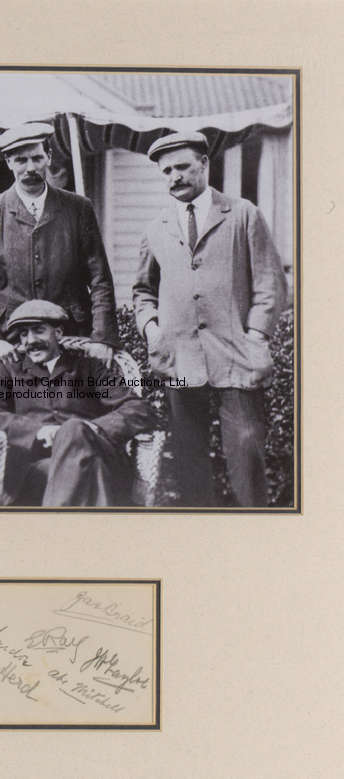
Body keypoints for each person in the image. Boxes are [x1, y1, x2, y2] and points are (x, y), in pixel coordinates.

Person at [132, 131, 287, 507]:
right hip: (180, 361)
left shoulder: (243, 214)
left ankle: (255, 535)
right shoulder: (157, 228)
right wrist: (153, 330)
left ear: (204, 164)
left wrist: (256, 334)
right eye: (166, 171)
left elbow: (271, 282)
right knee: (188, 458)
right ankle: (202, 542)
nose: (175, 177)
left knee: (247, 450)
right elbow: (142, 291)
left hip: (236, 356)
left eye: (183, 167)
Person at [0, 300, 152, 507]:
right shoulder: (9, 370)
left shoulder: (89, 368)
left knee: (73, 429)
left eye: (38, 331)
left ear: (59, 333)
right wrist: (37, 431)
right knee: (89, 465)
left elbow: (139, 409)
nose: (30, 340)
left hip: (93, 451)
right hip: (35, 465)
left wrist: (92, 429)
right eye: (24, 334)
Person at [0, 122, 119, 365]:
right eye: (21, 160)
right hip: (11, 342)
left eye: (37, 158)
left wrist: (101, 337)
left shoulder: (78, 208)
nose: (30, 168)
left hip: (71, 337)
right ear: (8, 162)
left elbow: (100, 280)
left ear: (49, 156)